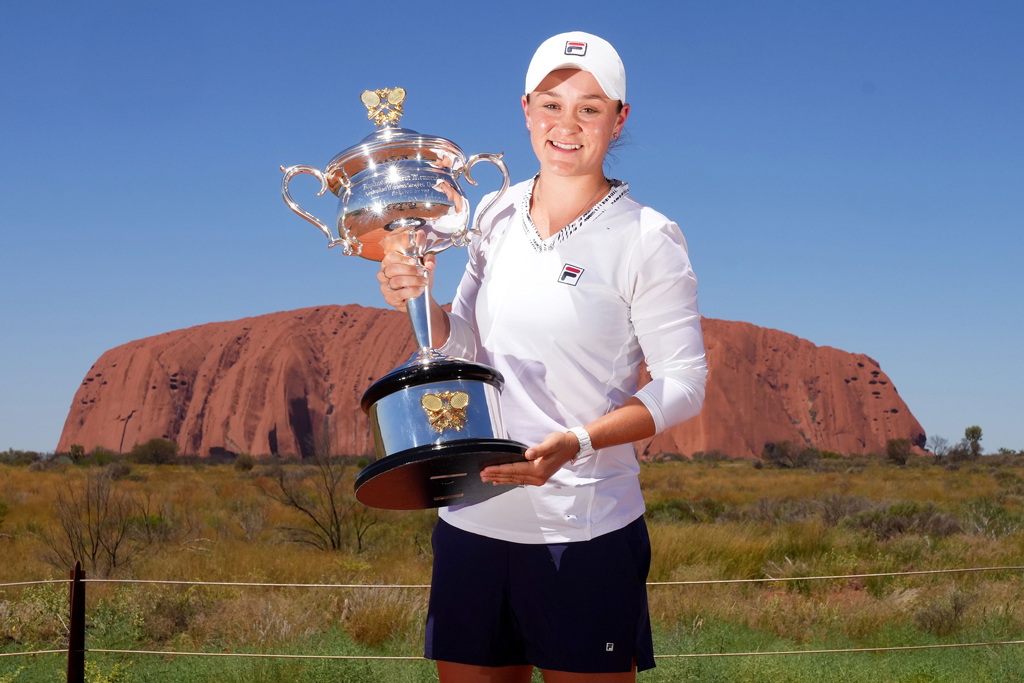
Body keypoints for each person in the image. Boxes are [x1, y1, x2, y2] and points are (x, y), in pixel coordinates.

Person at [377, 31, 707, 683]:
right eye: (551, 105)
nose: (567, 125)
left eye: (589, 107)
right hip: (472, 518)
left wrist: (578, 441)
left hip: (583, 530)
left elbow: (684, 384)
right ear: (525, 109)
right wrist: (420, 300)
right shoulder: (493, 213)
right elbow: (462, 343)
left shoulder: (648, 237)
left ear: (620, 118)